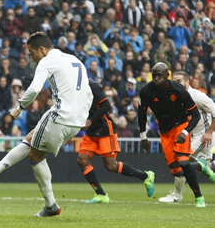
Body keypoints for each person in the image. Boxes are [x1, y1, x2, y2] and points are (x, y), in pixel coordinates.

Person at [0, 32, 93, 217]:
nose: (31, 57)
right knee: (31, 138)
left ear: (42, 49)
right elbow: (88, 90)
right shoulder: (74, 59)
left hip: (60, 115)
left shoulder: (47, 61)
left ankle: (50, 204)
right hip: (77, 120)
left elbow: (35, 88)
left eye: (31, 52)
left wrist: (19, 108)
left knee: (35, 155)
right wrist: (81, 117)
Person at [138, 63, 208, 207]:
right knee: (176, 169)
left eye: (159, 76)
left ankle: (199, 197)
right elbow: (141, 113)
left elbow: (195, 115)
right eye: (154, 75)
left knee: (183, 161)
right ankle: (199, 168)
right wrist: (143, 136)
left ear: (167, 76)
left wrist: (185, 131)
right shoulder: (146, 91)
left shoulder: (178, 90)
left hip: (181, 125)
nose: (156, 78)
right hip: (164, 131)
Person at [77, 79, 155, 204]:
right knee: (82, 159)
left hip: (105, 130)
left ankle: (146, 176)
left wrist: (91, 120)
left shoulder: (91, 85)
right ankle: (101, 194)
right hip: (91, 132)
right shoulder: (70, 89)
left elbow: (106, 105)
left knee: (110, 166)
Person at [158, 71, 215, 203]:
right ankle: (206, 166)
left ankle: (177, 195)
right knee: (198, 165)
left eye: (179, 81)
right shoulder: (174, 96)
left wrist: (209, 132)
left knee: (182, 160)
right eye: (174, 81)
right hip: (190, 134)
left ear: (187, 82)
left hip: (203, 135)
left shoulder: (197, 96)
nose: (175, 84)